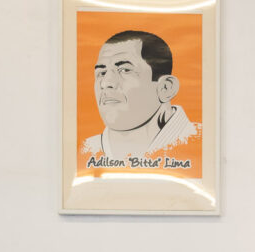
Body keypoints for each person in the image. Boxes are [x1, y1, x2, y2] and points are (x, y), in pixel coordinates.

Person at [81, 30, 199, 161]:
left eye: (125, 70)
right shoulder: (85, 151)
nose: (106, 83)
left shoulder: (203, 144)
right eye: (102, 73)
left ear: (166, 88)